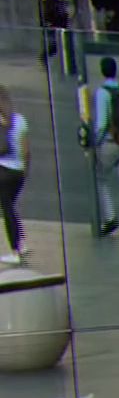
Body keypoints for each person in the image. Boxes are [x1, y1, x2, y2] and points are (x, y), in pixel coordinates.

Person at [88, 59, 119, 238]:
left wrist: (95, 143)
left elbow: (102, 123)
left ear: (102, 71)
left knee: (100, 178)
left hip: (110, 143)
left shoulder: (102, 93)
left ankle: (110, 217)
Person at [0, 86, 28, 265]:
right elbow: (26, 151)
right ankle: (22, 243)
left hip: (3, 171)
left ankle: (15, 251)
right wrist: (25, 170)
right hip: (18, 173)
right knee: (11, 206)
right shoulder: (20, 120)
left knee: (7, 210)